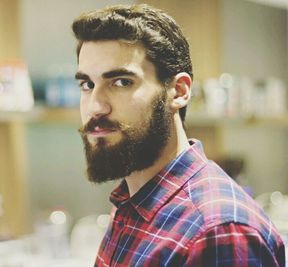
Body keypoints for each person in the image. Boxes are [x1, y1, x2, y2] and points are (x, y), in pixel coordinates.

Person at [72, 4, 285, 266]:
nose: (95, 105)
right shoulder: (132, 203)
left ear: (179, 91)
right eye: (87, 84)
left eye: (121, 82)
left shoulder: (216, 231)